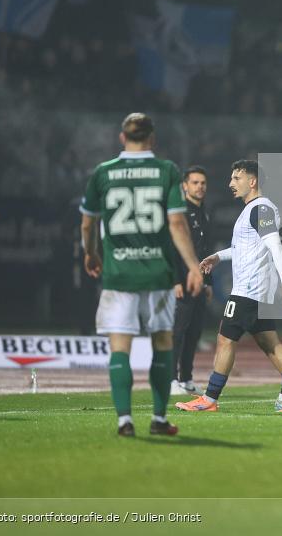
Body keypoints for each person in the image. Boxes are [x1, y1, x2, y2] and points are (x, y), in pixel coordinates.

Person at [79, 113, 204, 437]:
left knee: (120, 347)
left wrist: (91, 253)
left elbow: (88, 223)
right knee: (162, 343)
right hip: (158, 274)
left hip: (119, 273)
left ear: (122, 138)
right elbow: (177, 224)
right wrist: (192, 266)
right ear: (152, 138)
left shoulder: (103, 173)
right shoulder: (166, 171)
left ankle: (124, 421)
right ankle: (159, 418)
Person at [175, 160, 282, 413]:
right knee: (271, 343)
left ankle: (209, 399)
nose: (230, 183)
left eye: (236, 178)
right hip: (256, 290)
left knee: (225, 340)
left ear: (252, 181)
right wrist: (219, 256)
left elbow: (274, 247)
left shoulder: (260, 210)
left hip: (248, 290)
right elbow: (246, 247)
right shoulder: (256, 209)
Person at [171, 166, 213, 395]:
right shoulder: (181, 212)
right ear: (185, 186)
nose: (200, 187)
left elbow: (204, 252)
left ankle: (186, 378)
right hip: (183, 281)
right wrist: (175, 280)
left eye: (203, 183)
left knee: (194, 332)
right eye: (195, 182)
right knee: (177, 331)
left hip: (200, 283)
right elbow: (173, 249)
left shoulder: (204, 211)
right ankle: (170, 380)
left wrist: (209, 282)